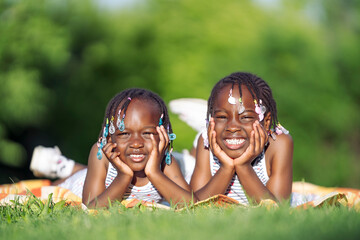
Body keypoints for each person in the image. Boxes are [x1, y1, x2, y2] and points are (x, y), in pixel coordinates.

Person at [30, 88, 195, 208]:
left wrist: (154, 172)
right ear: (110, 137)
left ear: (163, 134)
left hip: (97, 175)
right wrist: (124, 175)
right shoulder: (100, 153)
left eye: (147, 133)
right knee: (46, 188)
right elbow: (92, 208)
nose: (136, 143)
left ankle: (68, 166)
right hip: (78, 185)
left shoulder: (164, 161)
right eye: (124, 134)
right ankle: (67, 169)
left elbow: (190, 205)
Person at [190, 72, 293, 205]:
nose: (232, 127)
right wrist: (226, 168)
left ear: (266, 122)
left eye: (245, 117)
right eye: (222, 117)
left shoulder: (278, 144)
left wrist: (243, 166)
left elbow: (276, 210)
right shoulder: (207, 143)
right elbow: (192, 206)